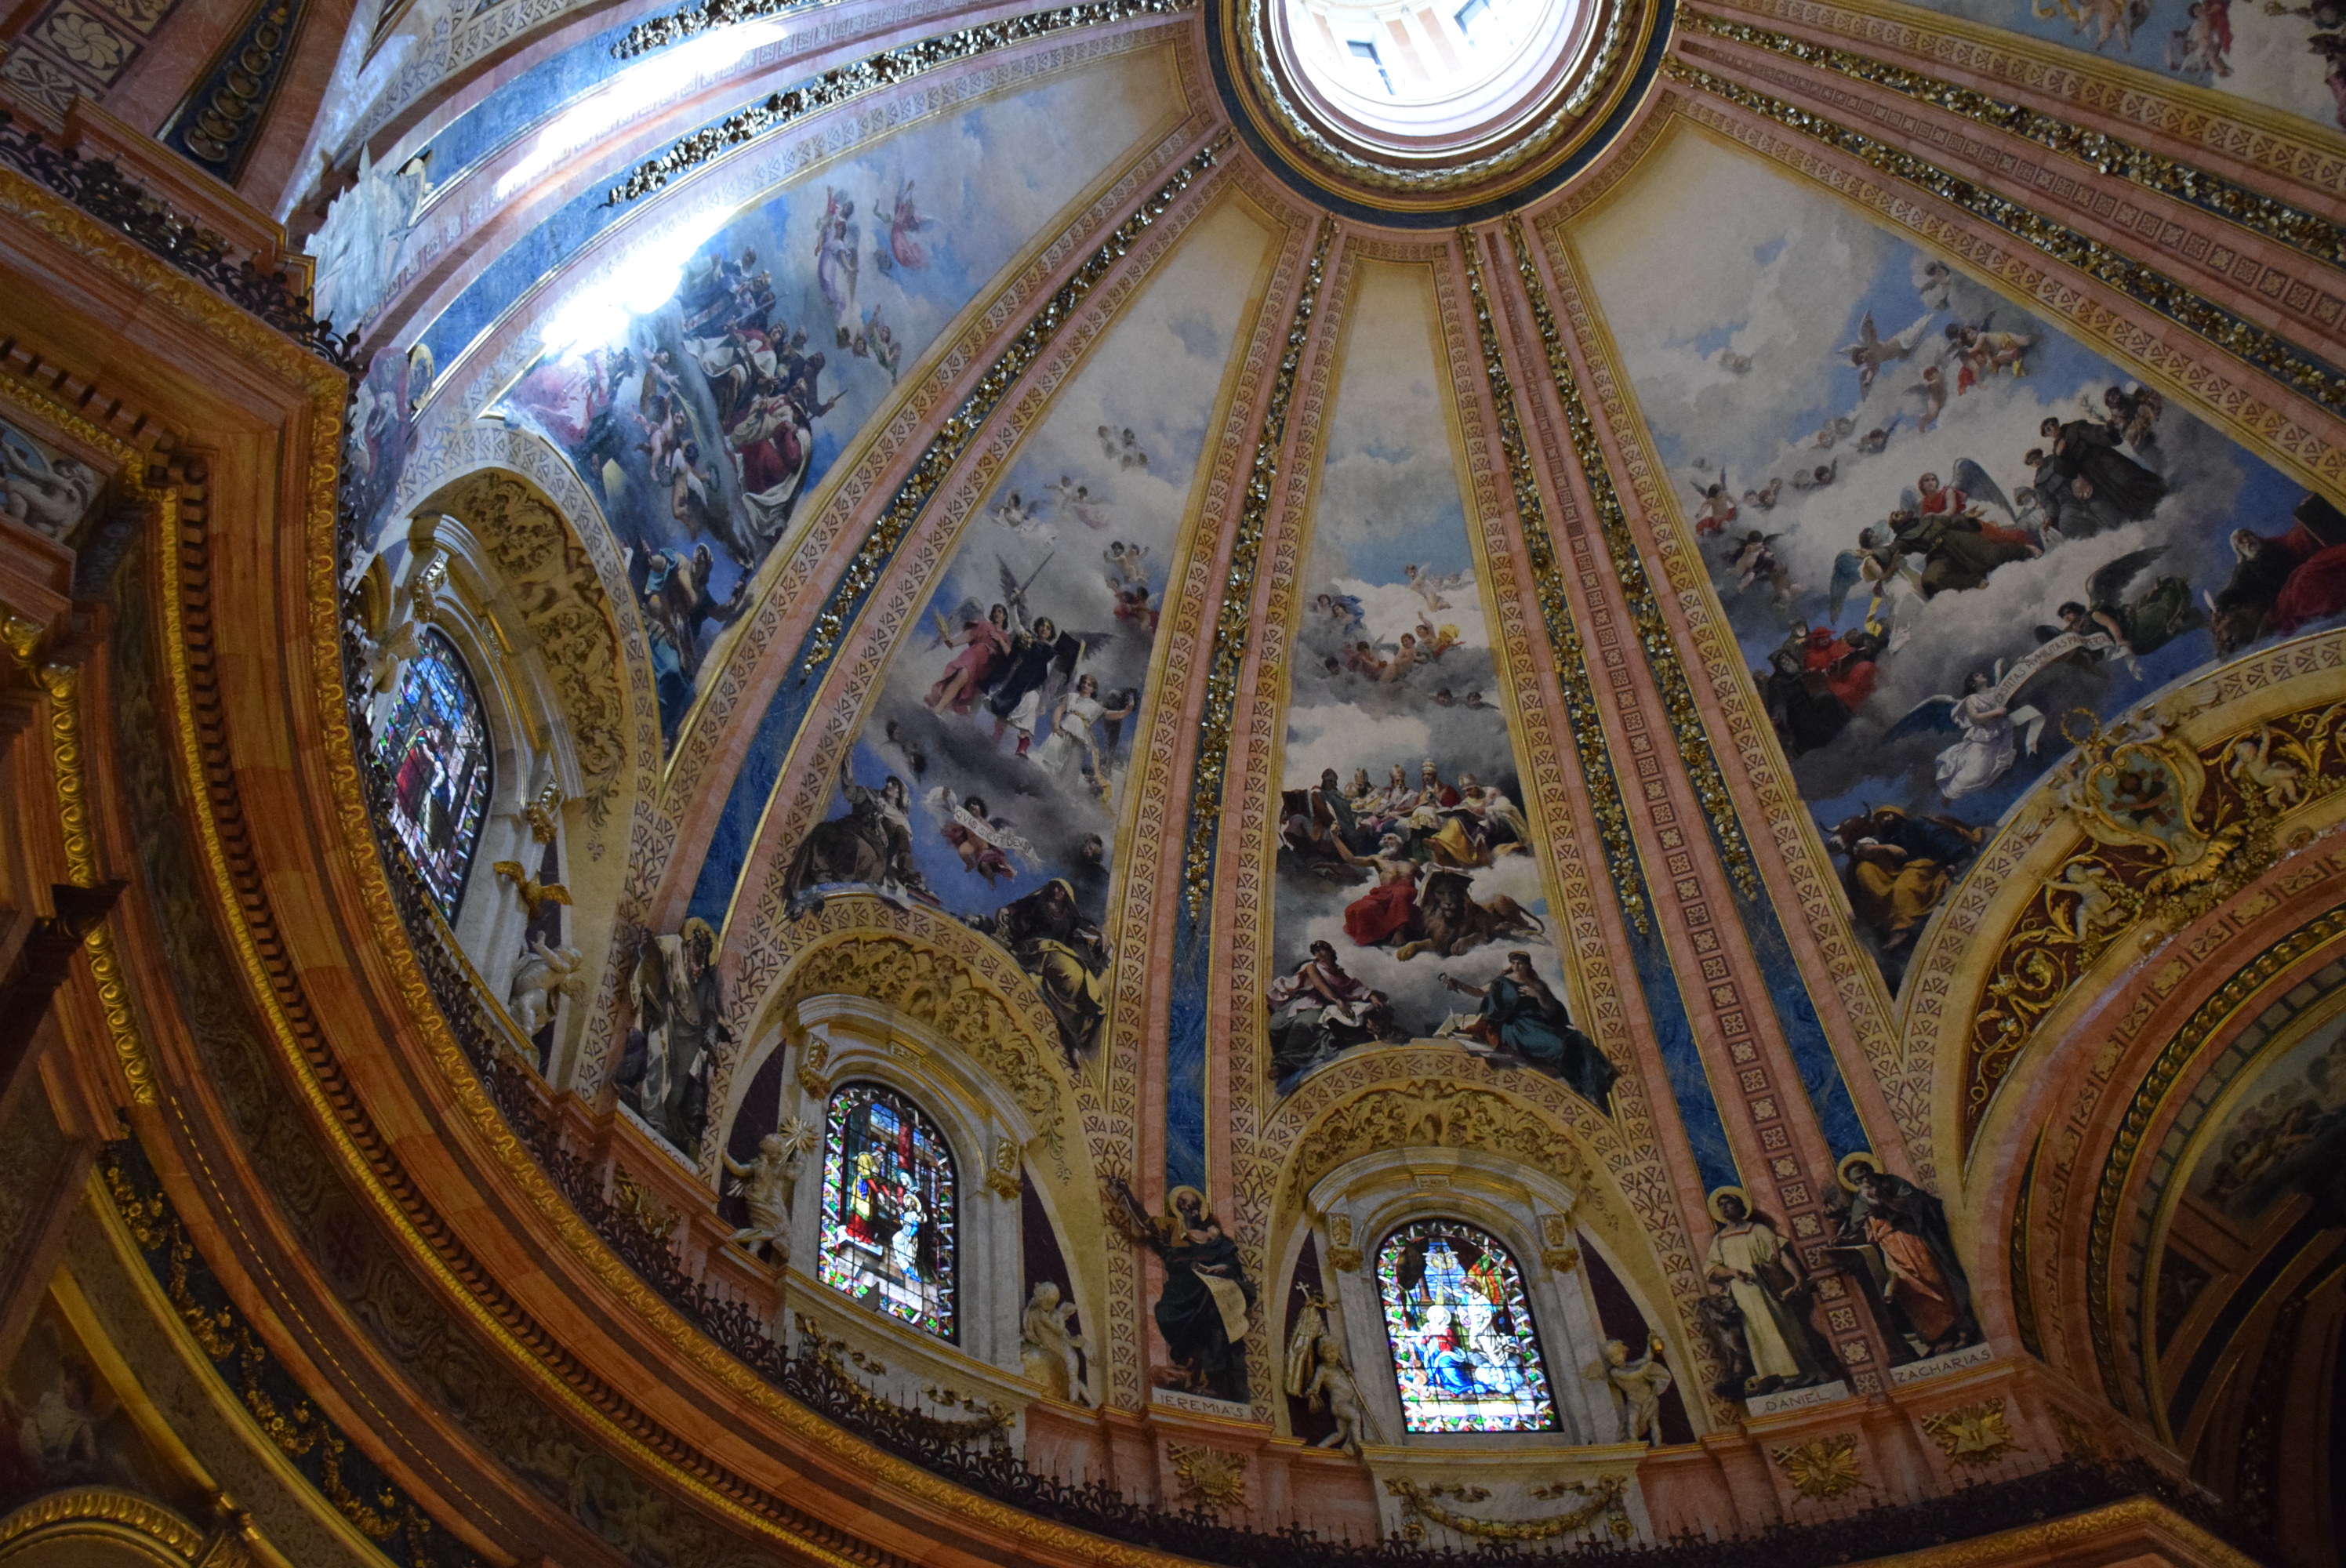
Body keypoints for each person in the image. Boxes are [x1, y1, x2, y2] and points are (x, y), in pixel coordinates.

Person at [1113, 1183, 1255, 1402]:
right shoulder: (1172, 1228)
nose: (1193, 1211)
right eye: (1187, 1206)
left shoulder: (1214, 1237)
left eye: (1196, 1206)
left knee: (1212, 1318)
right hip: (1180, 1289)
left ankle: (1212, 1378)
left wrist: (1224, 1267)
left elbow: (1232, 1263)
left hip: (1208, 1287)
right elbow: (1144, 1221)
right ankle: (1189, 1368)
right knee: (1164, 1312)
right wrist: (1126, 1193)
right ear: (1179, 1208)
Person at [1439, 953, 1617, 1110]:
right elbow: (1479, 992)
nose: (1516, 966)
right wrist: (1457, 983)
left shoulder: (1537, 985)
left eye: (1520, 963)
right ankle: (1579, 1083)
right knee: (1559, 1046)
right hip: (1516, 1027)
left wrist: (1537, 995)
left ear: (1527, 965)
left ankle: (1593, 1087)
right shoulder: (1502, 982)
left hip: (1539, 1023)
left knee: (1579, 1041)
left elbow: (1551, 1009)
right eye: (1513, 963)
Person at [1702, 1191, 1831, 1396]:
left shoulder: (1757, 1230)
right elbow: (1712, 1268)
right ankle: (1770, 1377)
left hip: (1766, 1289)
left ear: (1741, 1207)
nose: (1725, 1208)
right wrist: (1732, 1272)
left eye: (1729, 1203)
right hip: (1742, 1295)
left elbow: (1781, 1255)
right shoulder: (1720, 1239)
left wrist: (1798, 1277)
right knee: (1756, 1336)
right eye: (1721, 1205)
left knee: (1780, 1327)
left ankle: (1797, 1375)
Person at [1020, 1282, 1090, 1405]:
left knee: (1073, 1377)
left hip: (1065, 1351)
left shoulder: (1056, 1315)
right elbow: (1030, 1332)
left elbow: (1059, 1330)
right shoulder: (1032, 1313)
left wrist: (1049, 1321)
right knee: (1071, 1377)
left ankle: (1077, 1400)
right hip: (1049, 1349)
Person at [1595, 1337, 1674, 1446]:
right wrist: (1644, 1368)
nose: (1615, 1358)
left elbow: (1645, 1359)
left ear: (1624, 1353)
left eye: (1617, 1354)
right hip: (1634, 1400)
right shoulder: (1615, 1372)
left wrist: (1650, 1344)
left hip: (1649, 1397)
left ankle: (1658, 1444)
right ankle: (1634, 1441)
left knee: (1654, 1422)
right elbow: (1631, 1376)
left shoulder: (1630, 1365)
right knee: (1632, 1420)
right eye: (1612, 1357)